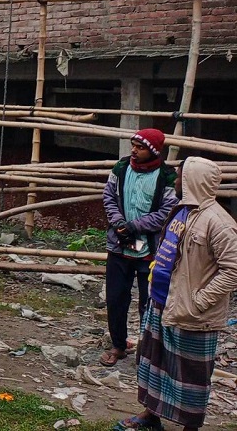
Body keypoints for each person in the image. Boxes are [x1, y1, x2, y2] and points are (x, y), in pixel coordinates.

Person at [116, 157, 237, 431]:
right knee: (153, 362)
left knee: (190, 375)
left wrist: (199, 301)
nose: (177, 181)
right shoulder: (181, 210)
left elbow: (233, 271)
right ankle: (151, 415)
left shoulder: (219, 223)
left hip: (192, 312)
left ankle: (189, 427)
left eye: (181, 176)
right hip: (161, 302)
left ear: (194, 180)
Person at [100, 128, 178, 367]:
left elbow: (167, 211)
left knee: (149, 301)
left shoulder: (167, 177)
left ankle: (147, 349)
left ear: (153, 150)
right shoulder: (121, 168)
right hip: (119, 246)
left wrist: (135, 225)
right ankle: (118, 345)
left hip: (150, 252)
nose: (134, 150)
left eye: (140, 147)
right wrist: (118, 222)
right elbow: (109, 196)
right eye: (133, 145)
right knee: (115, 298)